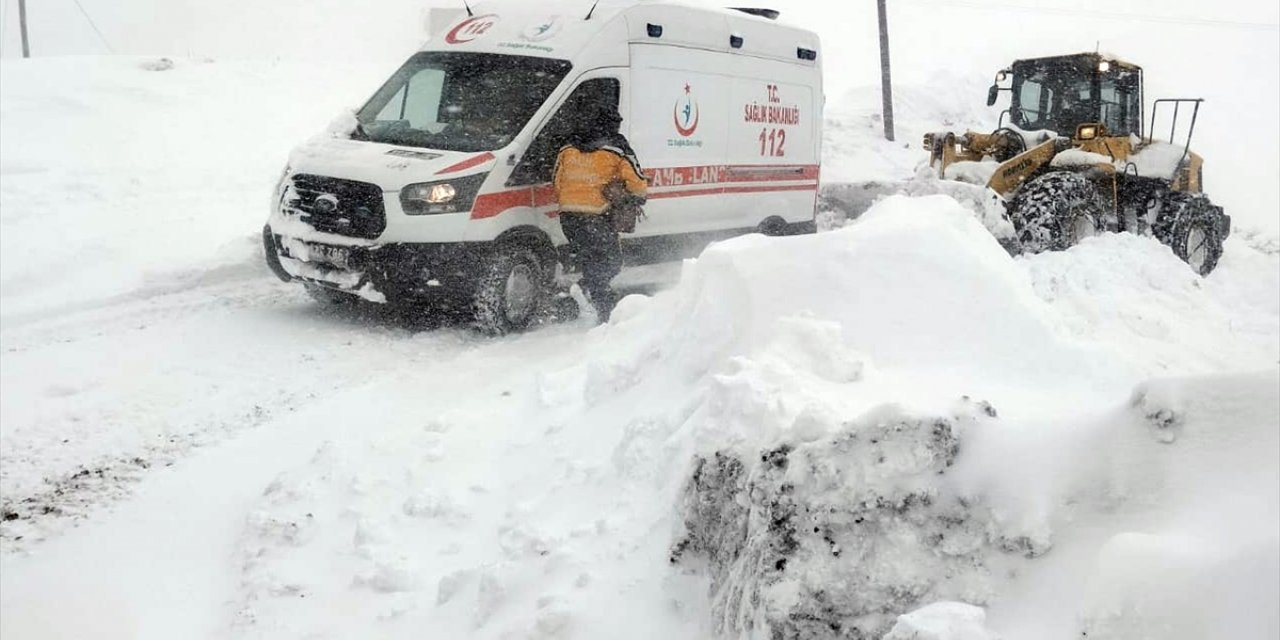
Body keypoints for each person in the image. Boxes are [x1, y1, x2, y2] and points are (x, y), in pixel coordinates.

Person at [552, 106, 648, 322]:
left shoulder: (568, 146)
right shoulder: (617, 147)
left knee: (590, 259)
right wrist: (637, 196)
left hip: (568, 215)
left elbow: (556, 181)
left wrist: (572, 200)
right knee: (611, 261)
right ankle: (590, 294)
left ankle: (598, 307)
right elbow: (637, 181)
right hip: (597, 215)